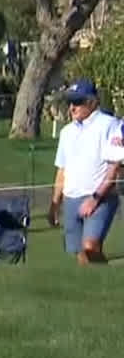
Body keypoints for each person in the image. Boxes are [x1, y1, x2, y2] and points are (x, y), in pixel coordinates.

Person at [48, 78, 120, 265]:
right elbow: (62, 170)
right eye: (70, 102)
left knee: (91, 247)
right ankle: (100, 289)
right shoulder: (66, 133)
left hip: (100, 198)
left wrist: (95, 198)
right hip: (72, 199)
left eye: (78, 102)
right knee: (81, 254)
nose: (72, 107)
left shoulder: (109, 125)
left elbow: (114, 168)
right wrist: (55, 203)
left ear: (92, 102)